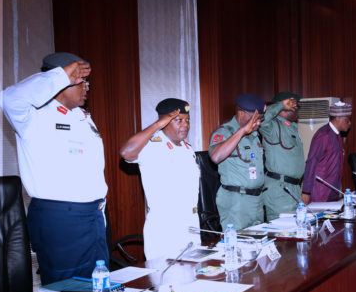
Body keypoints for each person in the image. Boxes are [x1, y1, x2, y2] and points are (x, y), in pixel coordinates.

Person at [0, 52, 108, 284]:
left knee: (98, 288)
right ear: (61, 82)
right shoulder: (33, 116)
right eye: (81, 81)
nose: (87, 87)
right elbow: (8, 98)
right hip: (61, 217)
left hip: (93, 215)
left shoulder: (83, 117)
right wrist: (60, 75)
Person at [119, 98, 200, 260]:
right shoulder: (152, 145)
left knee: (193, 276)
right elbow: (126, 152)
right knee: (165, 280)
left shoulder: (187, 148)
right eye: (179, 120)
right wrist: (156, 125)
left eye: (187, 120)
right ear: (165, 121)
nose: (185, 125)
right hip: (165, 226)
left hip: (191, 223)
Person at [209, 94, 266, 230]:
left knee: (257, 244)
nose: (258, 123)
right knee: (238, 245)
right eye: (255, 119)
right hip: (236, 202)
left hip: (257, 200)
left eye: (260, 120)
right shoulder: (225, 132)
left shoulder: (254, 135)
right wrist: (241, 131)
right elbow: (216, 156)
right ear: (241, 113)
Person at [260, 92, 304, 219]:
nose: (298, 112)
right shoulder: (272, 126)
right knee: (282, 233)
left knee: (294, 231)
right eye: (295, 108)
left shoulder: (291, 127)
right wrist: (280, 105)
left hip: (293, 188)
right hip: (279, 190)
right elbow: (262, 118)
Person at [302, 101, 352, 203]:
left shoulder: (336, 135)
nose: (349, 123)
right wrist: (306, 191)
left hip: (332, 190)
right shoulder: (324, 135)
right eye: (347, 120)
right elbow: (311, 162)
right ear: (338, 118)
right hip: (320, 193)